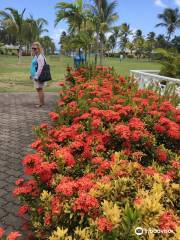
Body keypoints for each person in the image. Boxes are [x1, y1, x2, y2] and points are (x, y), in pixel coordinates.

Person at [30, 42, 46, 107]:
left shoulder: (40, 57)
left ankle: (41, 104)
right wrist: (31, 74)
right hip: (35, 75)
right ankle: (42, 102)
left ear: (39, 48)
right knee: (39, 89)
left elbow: (40, 68)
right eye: (32, 48)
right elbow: (34, 66)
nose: (33, 50)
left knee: (39, 89)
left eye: (35, 48)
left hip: (38, 76)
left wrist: (36, 76)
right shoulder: (36, 56)